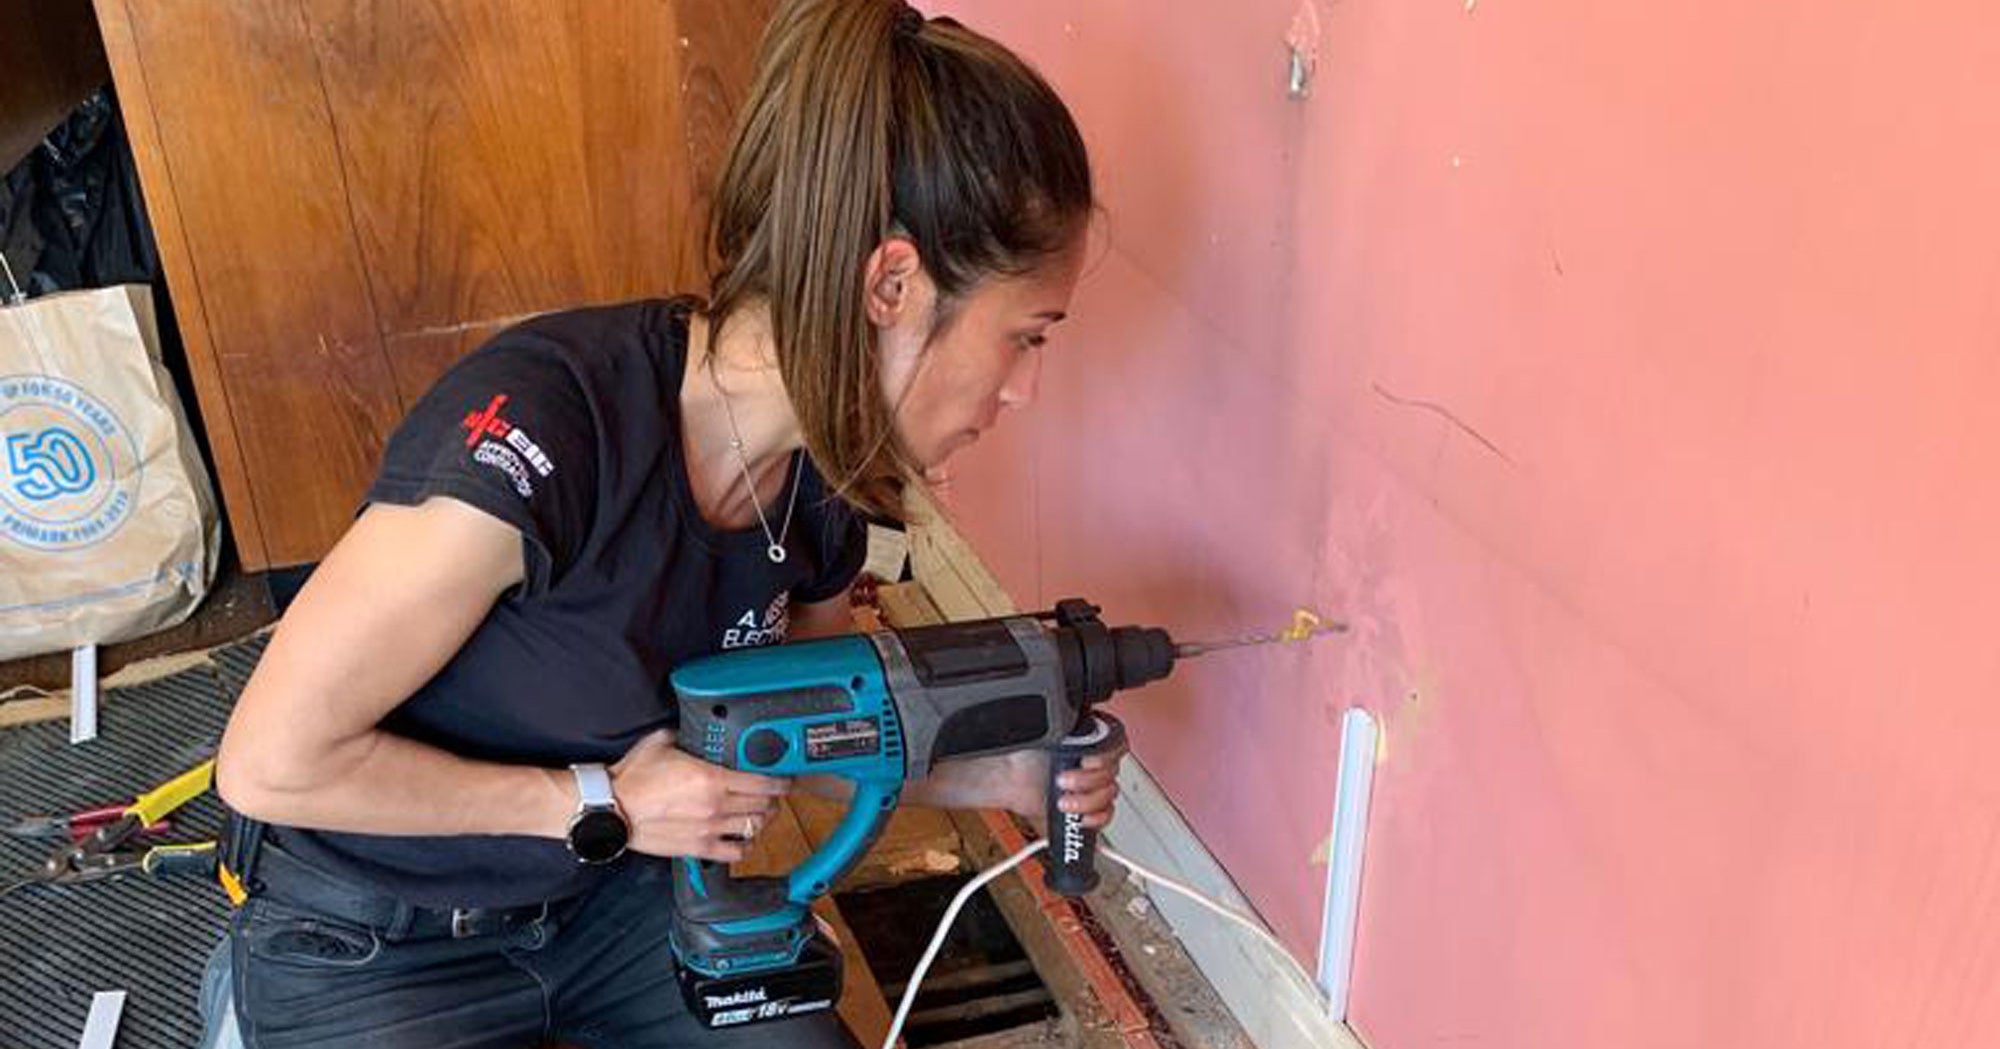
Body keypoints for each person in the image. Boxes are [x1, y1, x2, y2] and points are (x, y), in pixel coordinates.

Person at [203, 2, 1123, 1046]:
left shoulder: (828, 482)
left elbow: (804, 731)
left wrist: (1000, 774)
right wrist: (599, 801)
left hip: (609, 905)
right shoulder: (547, 433)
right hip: (378, 931)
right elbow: (269, 761)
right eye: (1025, 336)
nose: (1022, 389)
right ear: (892, 284)